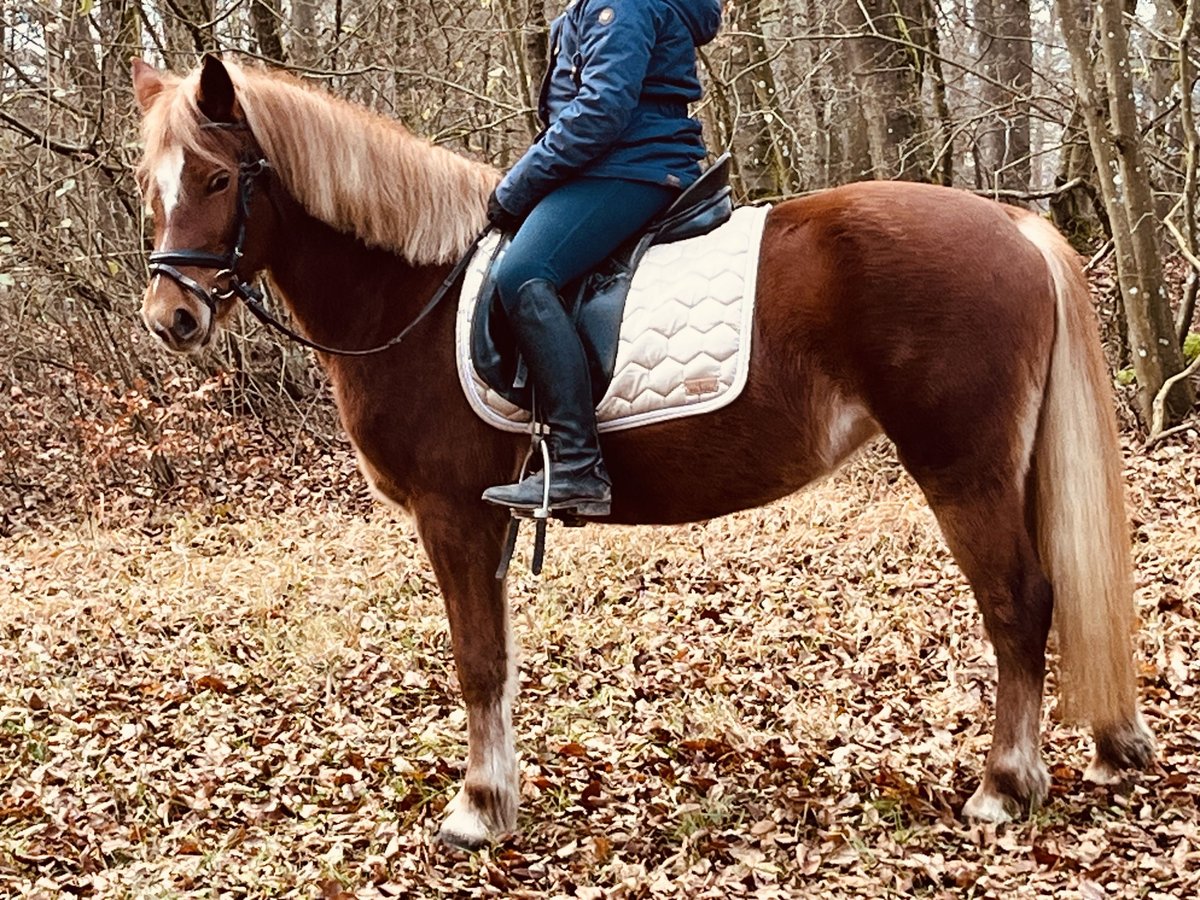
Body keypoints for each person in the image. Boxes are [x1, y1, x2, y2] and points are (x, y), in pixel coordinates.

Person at [481, 0, 724, 517]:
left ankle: (576, 465)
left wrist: (517, 186)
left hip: (631, 165)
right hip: (619, 162)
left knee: (524, 273)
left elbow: (601, 111)